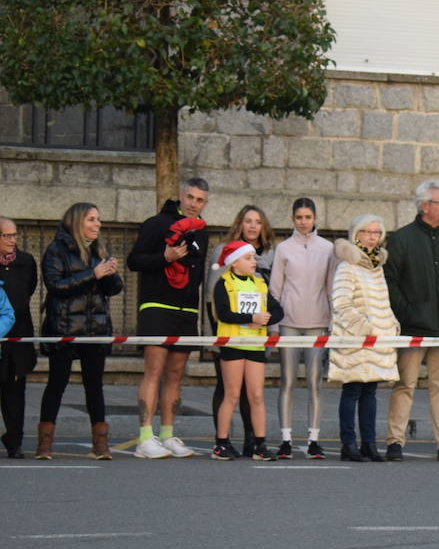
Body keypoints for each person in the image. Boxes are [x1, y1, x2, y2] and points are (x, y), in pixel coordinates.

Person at [384, 179, 439, 463]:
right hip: (412, 329)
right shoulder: (401, 240)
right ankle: (395, 441)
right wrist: (406, 313)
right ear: (424, 206)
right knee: (405, 384)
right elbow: (390, 282)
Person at [126, 177, 211, 459]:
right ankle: (144, 437)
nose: (194, 204)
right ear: (181, 196)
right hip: (156, 305)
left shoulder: (202, 230)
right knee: (154, 370)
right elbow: (134, 261)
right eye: (190, 197)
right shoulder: (156, 223)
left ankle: (167, 434)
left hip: (186, 311)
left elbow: (197, 272)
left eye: (200, 200)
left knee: (175, 375)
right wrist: (165, 256)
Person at [37, 203, 123, 461]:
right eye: (92, 219)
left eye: (99, 219)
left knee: (94, 385)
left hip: (94, 328)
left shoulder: (98, 249)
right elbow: (55, 286)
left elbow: (113, 289)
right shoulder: (56, 249)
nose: (97, 224)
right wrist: (92, 274)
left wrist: (110, 274)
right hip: (64, 327)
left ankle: (100, 444)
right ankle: (44, 444)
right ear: (77, 222)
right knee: (57, 383)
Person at [329, 215, 399, 463]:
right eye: (367, 232)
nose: (372, 236)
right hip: (355, 339)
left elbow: (383, 302)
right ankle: (348, 443)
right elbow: (341, 303)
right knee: (352, 390)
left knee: (370, 392)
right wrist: (364, 327)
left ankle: (369, 443)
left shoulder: (376, 266)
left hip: (375, 340)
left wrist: (390, 324)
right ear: (356, 234)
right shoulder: (347, 265)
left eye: (376, 232)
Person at [270, 197, 336, 459]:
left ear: (315, 218)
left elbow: (331, 288)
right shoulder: (283, 248)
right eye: (299, 217)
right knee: (286, 381)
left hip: (317, 323)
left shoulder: (328, 248)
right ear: (293, 219)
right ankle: (286, 439)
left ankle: (313, 440)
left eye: (308, 217)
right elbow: (275, 288)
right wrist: (274, 324)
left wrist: (332, 322)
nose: (304, 221)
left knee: (314, 382)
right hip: (288, 323)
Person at [207, 206, 275, 457]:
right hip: (232, 342)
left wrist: (269, 320)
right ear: (234, 261)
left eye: (258, 221)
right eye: (249, 259)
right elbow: (219, 310)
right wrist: (250, 318)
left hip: (256, 344)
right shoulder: (224, 281)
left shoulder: (260, 281)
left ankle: (258, 443)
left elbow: (275, 306)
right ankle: (221, 442)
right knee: (230, 393)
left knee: (256, 395)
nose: (254, 262)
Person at [0, 217, 39, 458]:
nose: (13, 241)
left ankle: (15, 441)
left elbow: (30, 288)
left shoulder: (25, 262)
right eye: (7, 236)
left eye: (15, 235)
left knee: (15, 392)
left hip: (19, 335)